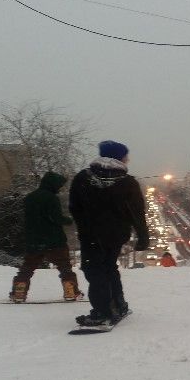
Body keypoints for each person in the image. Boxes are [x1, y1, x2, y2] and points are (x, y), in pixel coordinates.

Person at [68, 140, 149, 326]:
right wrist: (143, 236)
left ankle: (102, 312)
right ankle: (117, 304)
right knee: (109, 267)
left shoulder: (83, 178)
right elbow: (137, 213)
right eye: (125, 156)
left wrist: (84, 226)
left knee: (95, 270)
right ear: (118, 157)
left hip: (91, 236)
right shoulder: (128, 182)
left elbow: (74, 208)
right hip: (116, 235)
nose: (127, 160)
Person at [9, 171, 82, 303]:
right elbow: (55, 218)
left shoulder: (29, 198)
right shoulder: (51, 198)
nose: (60, 189)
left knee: (27, 268)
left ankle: (19, 292)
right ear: (53, 185)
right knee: (64, 266)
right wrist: (69, 220)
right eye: (59, 186)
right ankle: (71, 292)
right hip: (54, 241)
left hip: (34, 241)